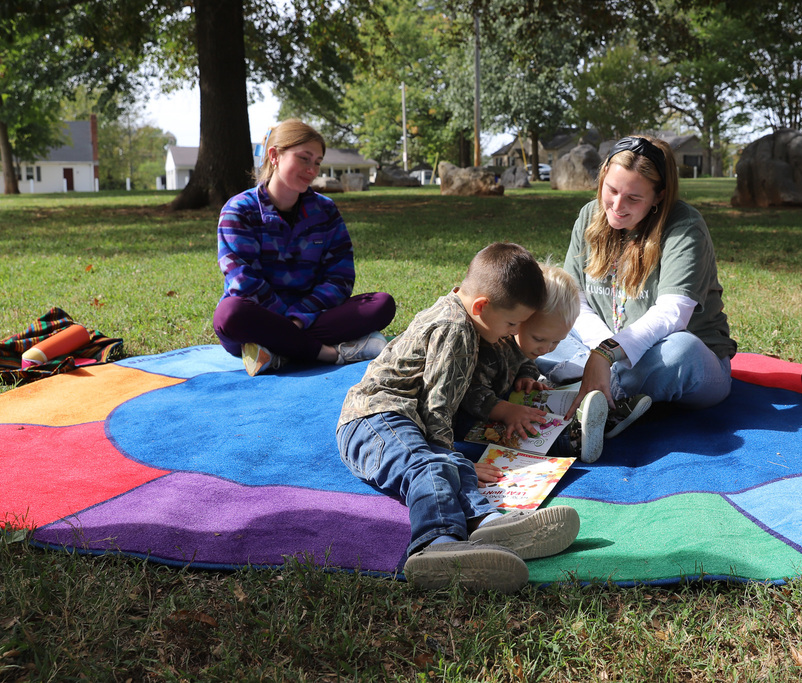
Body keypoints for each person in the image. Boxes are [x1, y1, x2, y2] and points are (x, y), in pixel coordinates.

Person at [336, 242, 581, 593]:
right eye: (512, 323)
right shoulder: (455, 329)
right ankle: (434, 545)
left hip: (403, 420)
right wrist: (450, 456)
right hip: (373, 418)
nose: (513, 332)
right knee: (433, 465)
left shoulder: (470, 318)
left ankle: (487, 523)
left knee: (450, 464)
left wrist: (456, 460)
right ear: (482, 306)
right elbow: (438, 407)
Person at [536, 135, 737, 451]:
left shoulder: (684, 226)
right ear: (602, 178)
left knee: (682, 351)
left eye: (633, 198)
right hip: (600, 350)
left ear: (659, 196)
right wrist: (601, 352)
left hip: (670, 359)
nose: (617, 206)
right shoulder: (589, 216)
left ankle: (581, 396)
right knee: (531, 328)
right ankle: (608, 398)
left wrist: (606, 354)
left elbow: (672, 315)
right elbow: (575, 300)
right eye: (612, 190)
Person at [214, 119, 396, 377]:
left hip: (311, 316)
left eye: (318, 162)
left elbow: (340, 278)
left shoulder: (326, 210)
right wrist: (285, 322)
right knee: (229, 314)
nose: (312, 169)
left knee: (380, 304)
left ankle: (275, 352)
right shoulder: (239, 210)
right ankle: (329, 353)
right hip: (257, 318)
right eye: (304, 158)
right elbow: (243, 282)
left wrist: (298, 319)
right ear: (274, 156)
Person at [459, 262, 610, 466]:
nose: (547, 349)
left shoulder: (524, 340)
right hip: (470, 414)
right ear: (520, 320)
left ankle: (603, 416)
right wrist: (506, 411)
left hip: (504, 399)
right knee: (518, 429)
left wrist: (527, 376)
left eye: (557, 341)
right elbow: (470, 392)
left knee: (540, 407)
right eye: (539, 339)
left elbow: (525, 361)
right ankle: (570, 441)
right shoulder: (491, 346)